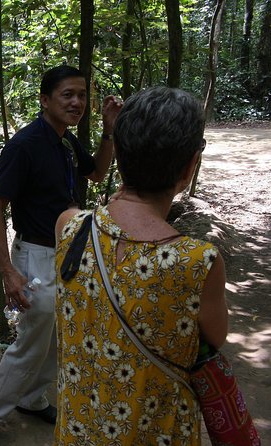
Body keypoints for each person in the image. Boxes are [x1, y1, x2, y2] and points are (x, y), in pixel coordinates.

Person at [54, 86, 228, 444]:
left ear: (116, 151)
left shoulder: (69, 226)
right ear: (190, 166)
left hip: (79, 429)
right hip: (154, 432)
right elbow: (215, 339)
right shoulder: (198, 263)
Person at [0, 65, 123, 446]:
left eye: (82, 96)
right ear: (45, 100)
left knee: (56, 336)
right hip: (34, 255)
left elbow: (98, 172)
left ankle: (31, 399)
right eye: (67, 95)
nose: (77, 103)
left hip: (69, 253)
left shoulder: (66, 142)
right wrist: (8, 271)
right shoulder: (25, 145)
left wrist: (109, 130)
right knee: (30, 342)